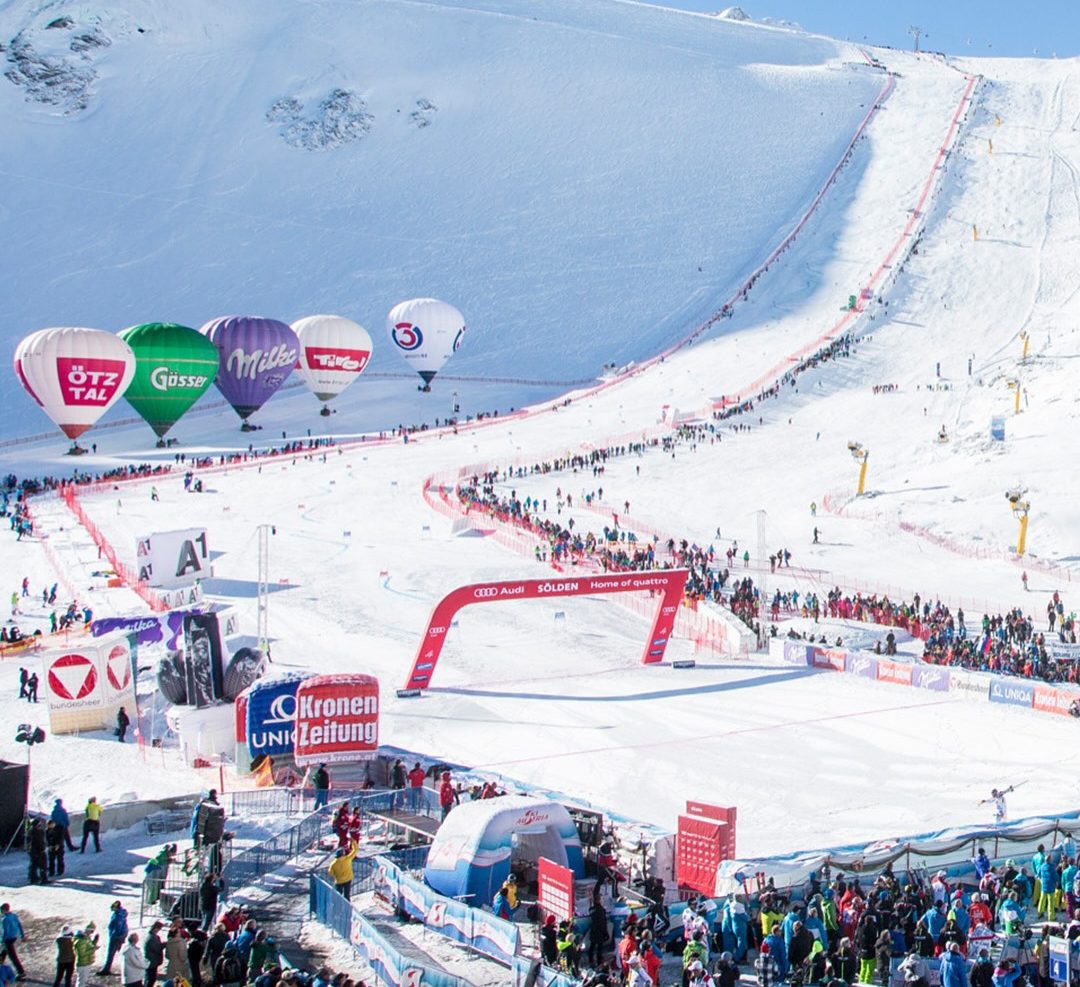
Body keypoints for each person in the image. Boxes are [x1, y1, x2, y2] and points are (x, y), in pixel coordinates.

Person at [99, 901, 128, 975]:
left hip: (116, 937)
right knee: (116, 952)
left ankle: (106, 969)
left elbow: (117, 928)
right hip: (120, 936)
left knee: (111, 953)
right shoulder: (121, 913)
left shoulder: (118, 916)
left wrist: (113, 936)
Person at [1, 904, 27, 981]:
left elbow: (5, 931)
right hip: (14, 937)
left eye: (1, 910)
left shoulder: (5, 919)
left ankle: (21, 972)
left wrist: (2, 941)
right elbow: (19, 925)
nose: (1, 912)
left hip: (8, 939)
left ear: (4, 910)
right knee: (4, 952)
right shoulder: (14, 916)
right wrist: (22, 936)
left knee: (13, 957)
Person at [143, 922, 164, 987]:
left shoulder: (153, 936)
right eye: (159, 929)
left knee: (151, 978)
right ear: (155, 928)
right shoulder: (152, 938)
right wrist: (165, 944)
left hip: (152, 961)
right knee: (150, 979)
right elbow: (157, 948)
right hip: (151, 962)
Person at [28, 818, 48, 884]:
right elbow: (40, 842)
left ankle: (33, 878)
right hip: (38, 851)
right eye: (39, 825)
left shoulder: (31, 831)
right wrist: (42, 848)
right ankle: (43, 879)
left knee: (34, 865)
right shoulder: (38, 832)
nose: (40, 826)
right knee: (42, 865)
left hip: (33, 851)